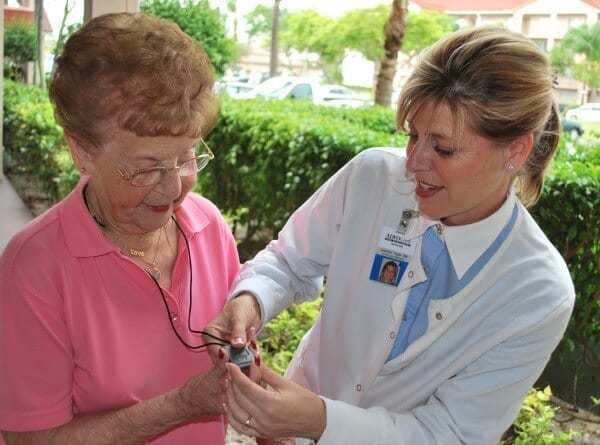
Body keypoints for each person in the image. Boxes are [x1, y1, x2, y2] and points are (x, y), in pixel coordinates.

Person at [208, 27, 575, 444]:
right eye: (413, 136)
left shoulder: (538, 292)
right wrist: (250, 299)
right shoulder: (372, 177)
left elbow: (452, 434)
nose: (415, 162)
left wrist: (319, 420)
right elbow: (288, 263)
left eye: (443, 148)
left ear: (516, 151)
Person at [0, 13, 241, 445]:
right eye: (146, 167)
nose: (174, 189)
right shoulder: (34, 267)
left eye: (187, 158)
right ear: (82, 152)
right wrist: (182, 404)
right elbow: (30, 440)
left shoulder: (208, 227)